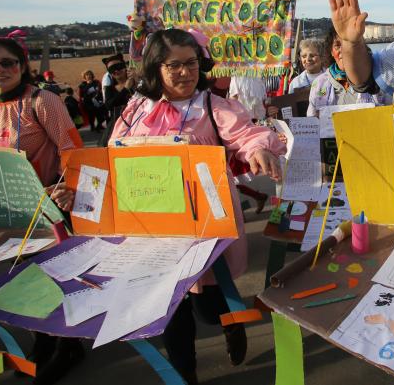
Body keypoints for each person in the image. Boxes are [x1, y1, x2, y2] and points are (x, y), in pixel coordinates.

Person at [109, 28, 284, 385]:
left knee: (209, 305)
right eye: (174, 65)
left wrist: (259, 150)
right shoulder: (136, 110)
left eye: (191, 63)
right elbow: (114, 153)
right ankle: (184, 373)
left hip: (206, 227)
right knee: (171, 309)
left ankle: (232, 327)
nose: (185, 73)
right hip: (156, 229)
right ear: (156, 67)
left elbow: (246, 134)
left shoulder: (212, 105)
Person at [0, 35, 84, 385]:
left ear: (22, 66)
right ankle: (44, 341)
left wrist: (69, 188)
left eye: (9, 62)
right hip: (11, 213)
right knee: (27, 281)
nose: (0, 69)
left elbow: (73, 149)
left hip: (48, 212)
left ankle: (68, 347)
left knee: (56, 280)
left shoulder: (43, 100)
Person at [307, 27, 388, 117]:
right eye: (337, 45)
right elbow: (312, 121)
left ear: (359, 49)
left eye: (348, 44)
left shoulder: (378, 78)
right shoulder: (319, 84)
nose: (343, 50)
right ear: (331, 52)